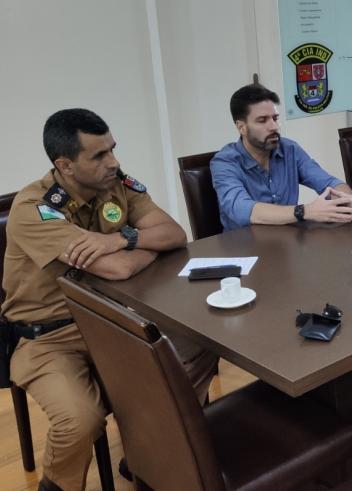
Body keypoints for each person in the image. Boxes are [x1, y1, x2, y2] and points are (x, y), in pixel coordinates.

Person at [1, 109, 218, 491]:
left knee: (198, 347)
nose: (113, 162)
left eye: (112, 150)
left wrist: (124, 238)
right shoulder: (34, 208)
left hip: (111, 321)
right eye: (99, 155)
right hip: (47, 338)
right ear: (65, 165)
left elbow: (174, 233)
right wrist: (140, 246)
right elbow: (117, 270)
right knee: (80, 419)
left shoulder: (118, 184)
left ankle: (149, 458)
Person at [211, 83, 352, 231]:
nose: (274, 126)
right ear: (241, 127)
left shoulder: (290, 149)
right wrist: (305, 211)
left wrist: (346, 199)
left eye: (275, 118)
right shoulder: (224, 162)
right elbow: (241, 209)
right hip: (245, 247)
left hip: (288, 241)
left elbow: (328, 182)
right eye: (262, 120)